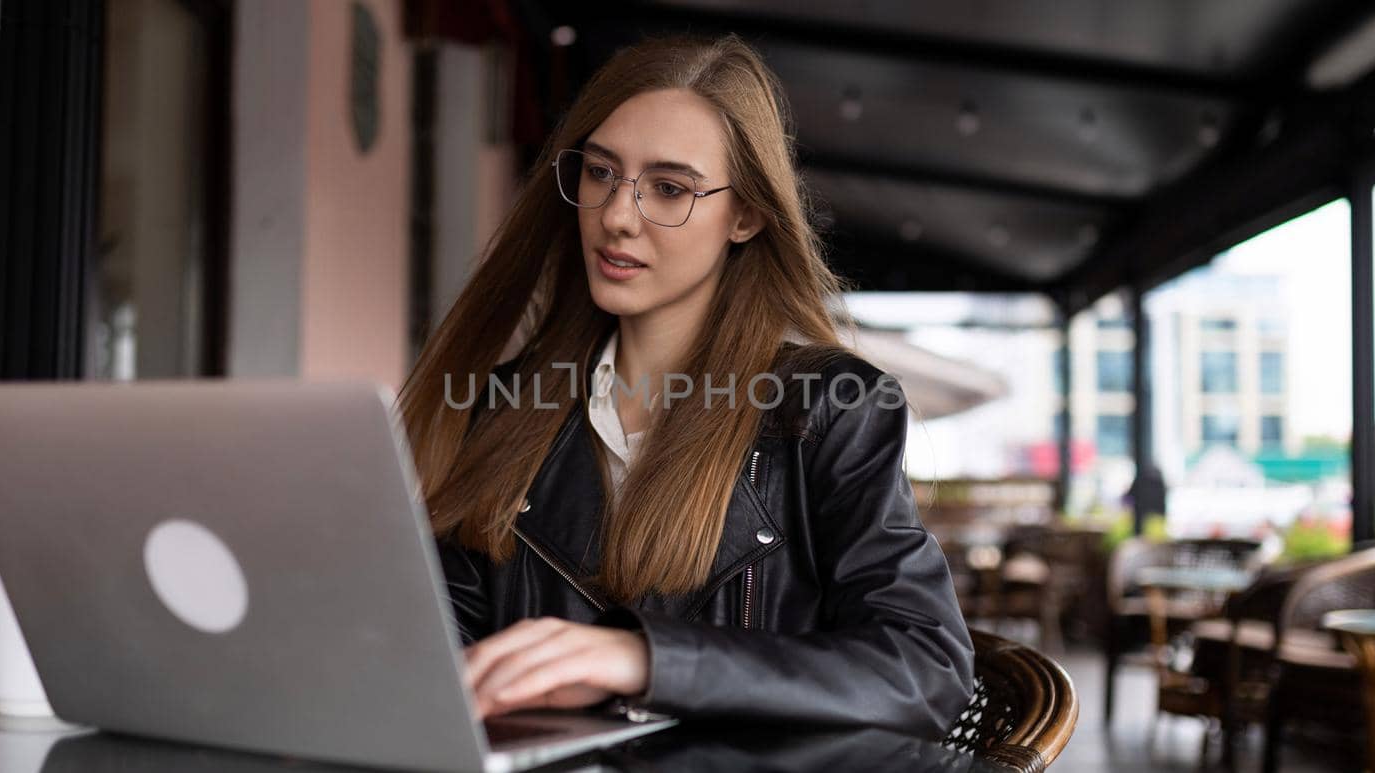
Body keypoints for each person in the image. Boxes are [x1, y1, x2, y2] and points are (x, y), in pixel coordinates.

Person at [395, 34, 974, 737]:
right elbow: (440, 656)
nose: (616, 215)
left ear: (746, 215)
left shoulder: (830, 408)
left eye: (669, 188)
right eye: (601, 172)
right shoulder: (503, 407)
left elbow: (926, 666)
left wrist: (644, 658)